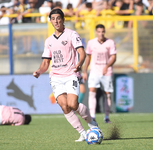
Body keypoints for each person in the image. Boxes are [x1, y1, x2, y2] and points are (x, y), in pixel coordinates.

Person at [33, 8, 98, 142]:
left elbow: (82, 52)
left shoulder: (71, 34)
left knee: (73, 104)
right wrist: (39, 71)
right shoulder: (49, 41)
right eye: (53, 19)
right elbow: (46, 62)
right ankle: (83, 133)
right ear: (50, 21)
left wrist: (79, 63)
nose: (56, 21)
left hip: (71, 74)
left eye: (58, 18)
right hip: (56, 77)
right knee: (64, 105)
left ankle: (93, 124)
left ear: (63, 19)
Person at [83, 24, 117, 124]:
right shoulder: (91, 43)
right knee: (92, 91)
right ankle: (92, 116)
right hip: (94, 71)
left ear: (104, 32)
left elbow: (114, 57)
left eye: (102, 31)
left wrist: (107, 66)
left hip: (106, 72)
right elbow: (88, 57)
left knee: (107, 94)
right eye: (99, 32)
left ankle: (106, 116)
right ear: (96, 32)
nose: (101, 34)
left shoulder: (110, 42)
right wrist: (85, 71)